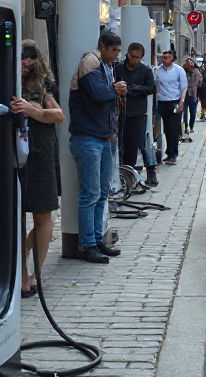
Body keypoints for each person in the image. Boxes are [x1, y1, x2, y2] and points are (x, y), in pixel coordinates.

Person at [68, 31, 127, 263]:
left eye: (117, 52)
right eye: (113, 51)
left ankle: (95, 239)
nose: (115, 56)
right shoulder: (90, 63)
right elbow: (99, 94)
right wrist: (116, 90)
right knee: (90, 194)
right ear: (102, 47)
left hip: (102, 138)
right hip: (88, 137)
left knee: (101, 193)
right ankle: (86, 244)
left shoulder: (105, 66)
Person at [10, 41, 63, 298]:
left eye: (30, 57)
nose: (26, 62)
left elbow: (58, 114)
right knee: (16, 218)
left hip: (40, 154)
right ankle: (21, 276)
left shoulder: (44, 85)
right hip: (12, 157)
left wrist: (31, 109)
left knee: (42, 215)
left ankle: (34, 275)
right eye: (21, 57)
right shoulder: (6, 79)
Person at [115, 42, 159, 187]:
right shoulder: (119, 67)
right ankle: (121, 176)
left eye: (137, 58)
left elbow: (151, 88)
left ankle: (134, 175)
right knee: (120, 145)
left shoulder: (145, 71)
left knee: (137, 144)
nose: (134, 60)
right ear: (127, 53)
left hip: (138, 113)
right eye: (132, 56)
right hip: (120, 113)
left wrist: (132, 89)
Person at [154, 48, 188, 165]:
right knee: (166, 129)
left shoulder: (179, 70)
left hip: (174, 101)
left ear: (172, 58)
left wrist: (182, 101)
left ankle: (173, 154)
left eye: (168, 57)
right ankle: (168, 152)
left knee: (173, 128)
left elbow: (184, 87)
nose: (165, 60)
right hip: (162, 102)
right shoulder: (158, 71)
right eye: (164, 57)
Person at [182, 58, 202, 139]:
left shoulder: (196, 72)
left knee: (193, 112)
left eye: (190, 62)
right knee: (185, 113)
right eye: (187, 63)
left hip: (193, 94)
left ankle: (191, 126)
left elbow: (196, 85)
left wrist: (195, 96)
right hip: (185, 94)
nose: (189, 64)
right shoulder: (183, 70)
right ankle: (186, 127)